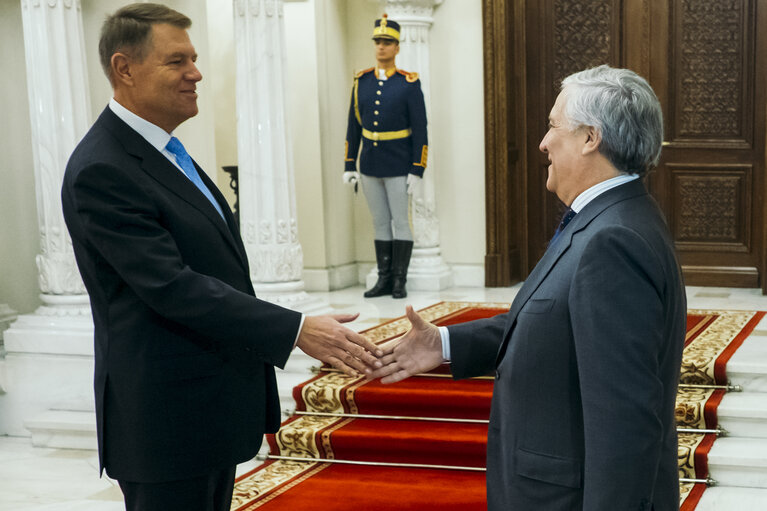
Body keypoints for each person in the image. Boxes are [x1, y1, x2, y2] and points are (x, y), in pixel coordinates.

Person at [61, 4, 381, 510]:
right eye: (176, 61)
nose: (196, 73)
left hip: (206, 412)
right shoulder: (103, 168)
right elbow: (172, 286)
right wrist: (296, 329)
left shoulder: (165, 153)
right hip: (165, 423)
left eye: (194, 58)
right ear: (125, 69)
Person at [371, 65, 686, 510]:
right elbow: (556, 322)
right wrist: (444, 343)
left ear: (590, 138)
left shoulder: (614, 240)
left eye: (554, 125)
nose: (543, 142)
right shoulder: (608, 219)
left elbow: (624, 422)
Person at [343, 14, 428, 299]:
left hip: (398, 163)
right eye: (378, 41)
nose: (381, 47)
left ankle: (399, 281)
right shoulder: (362, 81)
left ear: (397, 47)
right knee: (380, 221)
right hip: (370, 164)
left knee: (400, 221)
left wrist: (417, 168)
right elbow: (354, 125)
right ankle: (384, 279)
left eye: (387, 42)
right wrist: (349, 164)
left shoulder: (408, 83)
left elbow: (420, 129)